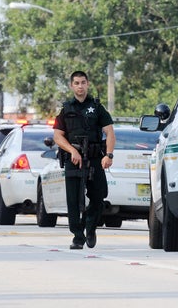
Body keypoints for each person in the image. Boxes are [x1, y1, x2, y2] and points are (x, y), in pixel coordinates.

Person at [53, 70, 115, 249]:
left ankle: (90, 226)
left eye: (83, 82)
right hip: (73, 160)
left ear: (88, 84)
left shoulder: (97, 108)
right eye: (76, 83)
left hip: (95, 159)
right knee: (73, 201)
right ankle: (77, 237)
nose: (80, 86)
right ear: (72, 86)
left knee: (99, 196)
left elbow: (109, 132)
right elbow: (58, 136)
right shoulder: (66, 109)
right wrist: (72, 150)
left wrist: (108, 155)